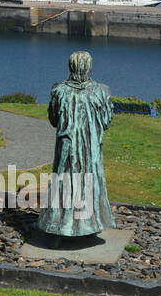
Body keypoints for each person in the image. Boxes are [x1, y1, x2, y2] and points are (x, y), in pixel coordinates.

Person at [37, 50, 114, 238]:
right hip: (90, 149)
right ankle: (89, 225)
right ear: (89, 66)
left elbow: (54, 120)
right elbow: (106, 121)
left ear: (71, 66)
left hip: (67, 147)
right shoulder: (101, 91)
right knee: (89, 181)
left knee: (63, 183)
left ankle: (58, 227)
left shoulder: (59, 90)